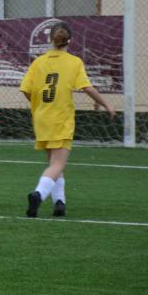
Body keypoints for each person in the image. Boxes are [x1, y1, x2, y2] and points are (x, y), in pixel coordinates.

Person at [20, 21, 115, 218]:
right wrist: (106, 104)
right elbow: (87, 88)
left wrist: (38, 105)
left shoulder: (38, 62)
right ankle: (39, 194)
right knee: (58, 164)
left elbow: (26, 90)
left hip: (41, 118)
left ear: (50, 39)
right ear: (70, 41)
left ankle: (60, 203)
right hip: (61, 118)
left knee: (53, 163)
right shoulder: (74, 62)